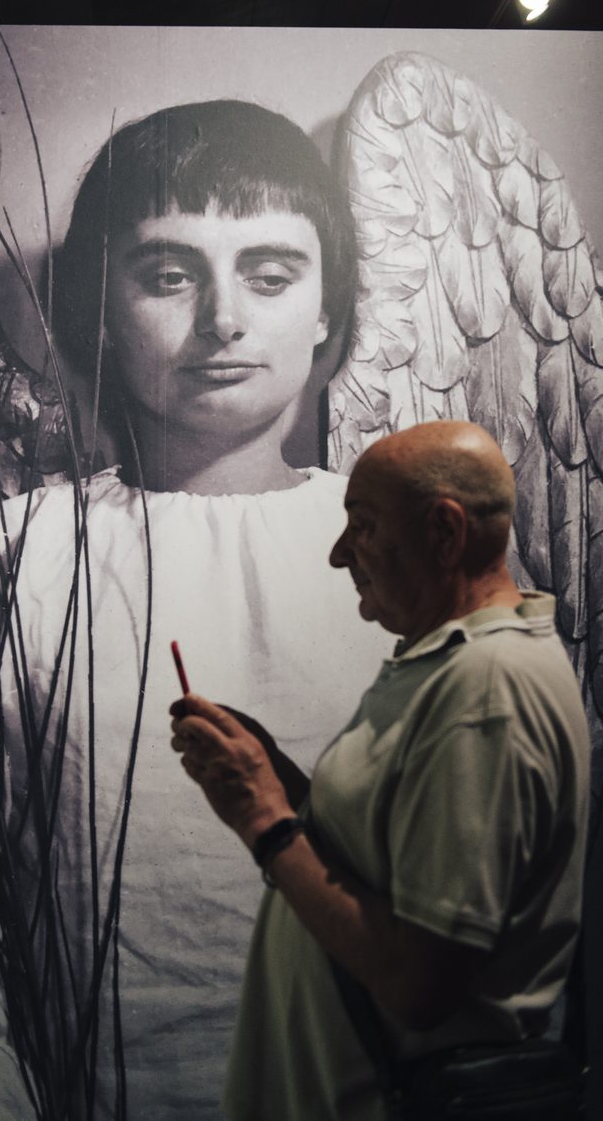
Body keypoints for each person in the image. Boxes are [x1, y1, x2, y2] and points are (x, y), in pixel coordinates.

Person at [0, 99, 392, 1120]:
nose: (223, 319)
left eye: (270, 273)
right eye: (168, 274)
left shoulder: (420, 548)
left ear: (326, 309)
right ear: (101, 309)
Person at [171, 421, 591, 1121]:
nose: (340, 553)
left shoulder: (487, 689)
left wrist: (266, 820)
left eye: (362, 526)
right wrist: (274, 779)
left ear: (444, 533)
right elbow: (386, 864)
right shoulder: (454, 663)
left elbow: (420, 985)